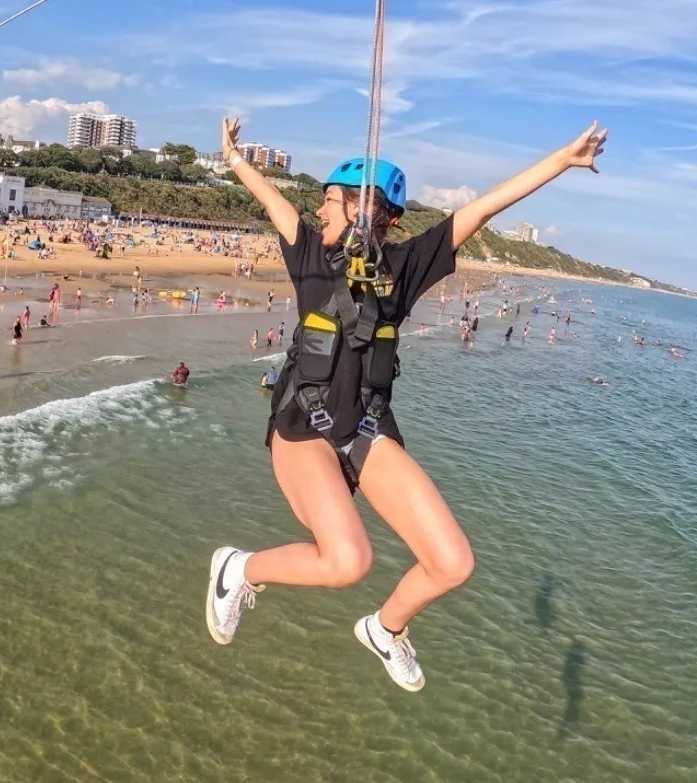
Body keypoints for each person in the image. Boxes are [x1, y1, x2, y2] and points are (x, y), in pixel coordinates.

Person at [205, 115, 607, 692]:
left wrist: (559, 162)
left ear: (363, 211)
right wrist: (235, 158)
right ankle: (238, 568)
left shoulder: (406, 267)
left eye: (331, 201)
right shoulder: (310, 256)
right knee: (348, 562)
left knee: (453, 564)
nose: (319, 211)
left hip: (367, 429)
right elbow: (271, 200)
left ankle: (386, 629)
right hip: (305, 428)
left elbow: (484, 209)